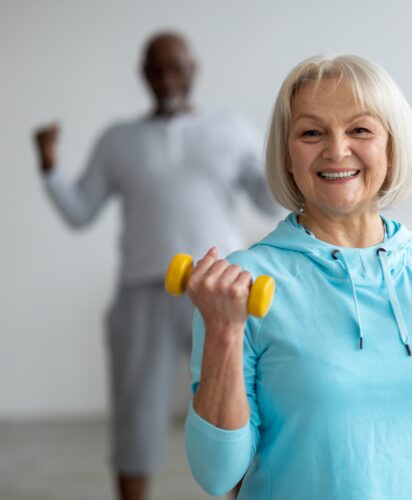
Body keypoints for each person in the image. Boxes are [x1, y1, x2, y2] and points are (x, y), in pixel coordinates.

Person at [182, 54, 412, 500]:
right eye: (311, 132)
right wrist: (223, 332)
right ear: (286, 153)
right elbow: (217, 474)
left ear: (391, 147)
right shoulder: (243, 285)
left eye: (360, 129)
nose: (336, 150)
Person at [32, 32, 278, 500]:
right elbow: (80, 211)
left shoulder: (232, 129)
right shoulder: (117, 140)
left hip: (218, 291)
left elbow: (268, 205)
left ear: (193, 69)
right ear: (144, 74)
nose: (168, 78)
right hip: (141, 292)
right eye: (157, 69)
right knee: (134, 416)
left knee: (234, 406)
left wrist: (281, 157)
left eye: (176, 67)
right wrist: (48, 167)